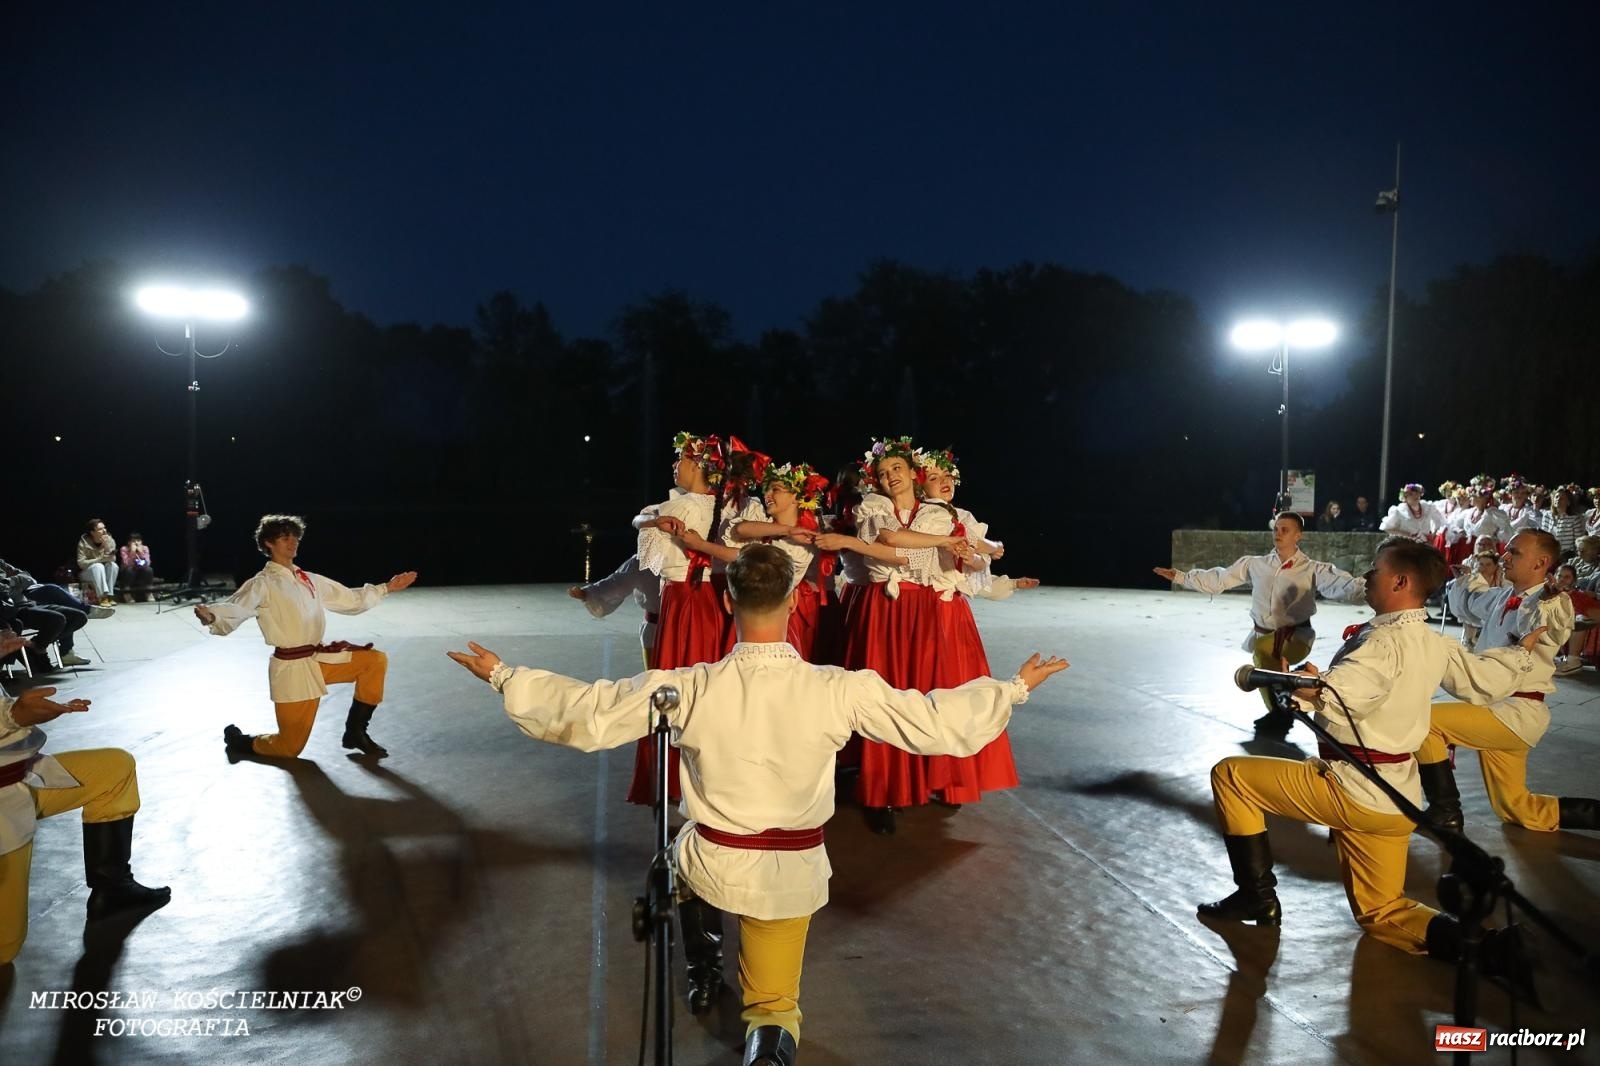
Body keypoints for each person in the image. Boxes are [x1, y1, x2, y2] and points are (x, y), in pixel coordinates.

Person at [446, 544, 1069, 1066]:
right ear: (796, 602)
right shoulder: (838, 690)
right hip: (790, 874)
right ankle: (765, 1041)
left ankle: (702, 966)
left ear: (725, 601)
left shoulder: (687, 687)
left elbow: (591, 710)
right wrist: (1012, 688)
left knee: (674, 860)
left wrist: (506, 676)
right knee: (774, 1005)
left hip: (713, 861)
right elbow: (932, 721)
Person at [1198, 537, 1543, 980]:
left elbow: (1346, 694)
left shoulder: (1382, 644)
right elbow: (1486, 681)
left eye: (1375, 570)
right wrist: (1520, 652)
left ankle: (1255, 896)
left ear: (1399, 581)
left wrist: (1310, 688)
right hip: (1396, 799)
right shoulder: (1435, 642)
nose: (1366, 577)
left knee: (1231, 777)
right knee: (1382, 912)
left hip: (1354, 788)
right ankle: (1488, 947)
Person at [1, 637, 171, 965]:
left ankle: (113, 889)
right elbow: (10, 716)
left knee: (112, 770)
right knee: (4, 946)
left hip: (21, 780)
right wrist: (12, 716)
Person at [195, 514, 417, 760]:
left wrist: (387, 587)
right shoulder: (263, 583)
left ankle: (355, 731)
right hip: (292, 672)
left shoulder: (309, 579)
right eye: (284, 537)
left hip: (317, 660)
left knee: (374, 661)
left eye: (295, 537)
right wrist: (212, 616)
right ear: (268, 543)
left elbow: (351, 600)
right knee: (289, 747)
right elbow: (237, 607)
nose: (293, 542)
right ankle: (241, 742)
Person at [1421, 530, 1598, 833]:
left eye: (1514, 552)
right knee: (1516, 808)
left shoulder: (1552, 602)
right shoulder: (1504, 595)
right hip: (1498, 707)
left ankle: (1444, 811)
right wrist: (1468, 578)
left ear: (1541, 562)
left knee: (1425, 723)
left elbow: (1555, 628)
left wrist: (1551, 600)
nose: (1504, 556)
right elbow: (1471, 605)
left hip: (1515, 712)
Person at [1154, 511, 1365, 738]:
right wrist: (1180, 577)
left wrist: (1373, 585)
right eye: (1276, 528)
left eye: (1285, 529)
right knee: (1261, 665)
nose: (1278, 533)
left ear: (1298, 536)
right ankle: (1280, 708)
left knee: (1263, 652)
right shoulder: (1256, 564)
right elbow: (1221, 578)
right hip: (1263, 635)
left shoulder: (1313, 569)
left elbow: (1345, 585)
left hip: (1296, 637)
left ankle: (1284, 702)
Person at [76, 518, 118, 607]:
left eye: (104, 528)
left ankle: (109, 595)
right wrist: (99, 559)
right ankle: (102, 597)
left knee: (113, 566)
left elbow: (112, 558)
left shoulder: (109, 540)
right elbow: (81, 563)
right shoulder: (83, 543)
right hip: (87, 572)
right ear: (92, 532)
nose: (104, 531)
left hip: (103, 572)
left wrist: (106, 545)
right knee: (98, 566)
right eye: (100, 529)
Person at [119, 532, 155, 603]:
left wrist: (141, 553)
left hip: (141, 570)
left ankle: (148, 593)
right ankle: (127, 593)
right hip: (129, 571)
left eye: (138, 541)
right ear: (129, 542)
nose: (136, 543)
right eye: (133, 541)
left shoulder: (145, 548)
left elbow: (147, 563)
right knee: (129, 570)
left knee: (149, 569)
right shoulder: (124, 549)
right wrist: (132, 552)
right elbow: (126, 564)